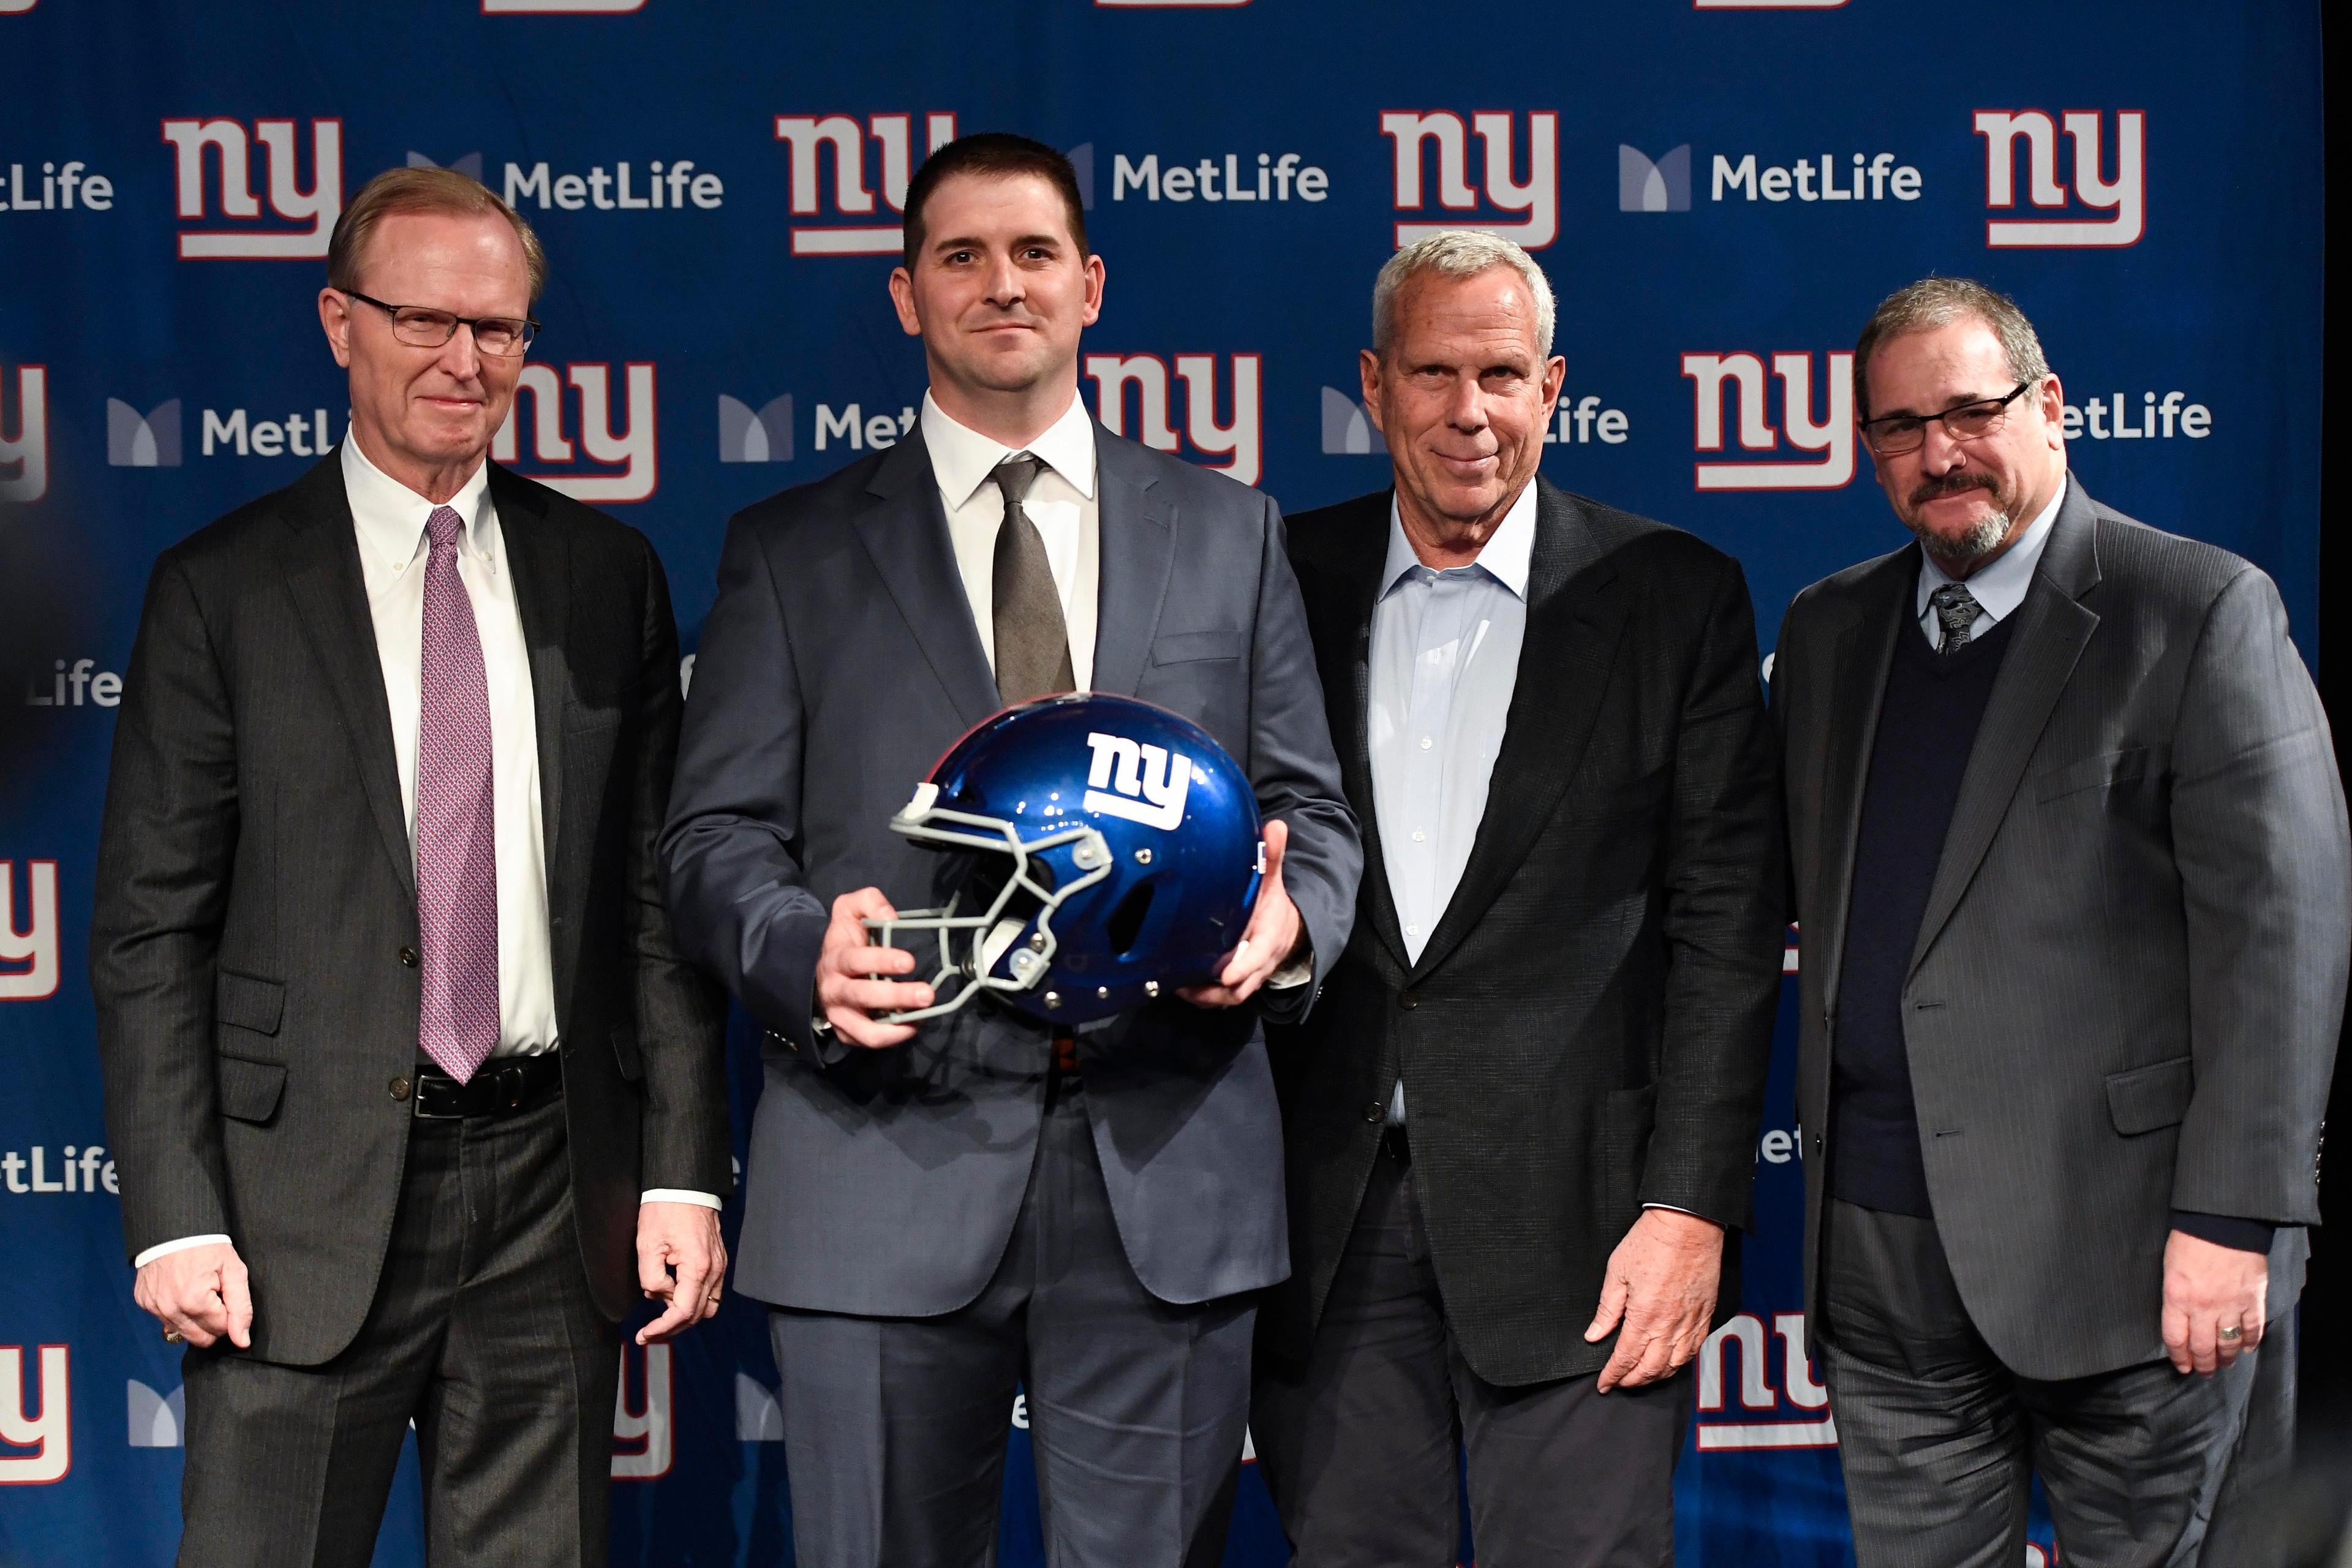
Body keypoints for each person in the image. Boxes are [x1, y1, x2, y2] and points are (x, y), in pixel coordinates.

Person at [658, 134, 1360, 1567]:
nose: (1002, 285)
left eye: (1034, 253)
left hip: (1168, 1172)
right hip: (879, 1159)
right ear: (906, 296)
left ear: (1091, 285)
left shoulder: (1231, 531)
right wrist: (801, 949)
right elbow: (711, 834)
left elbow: (1316, 818)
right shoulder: (788, 550)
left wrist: (1288, 929)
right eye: (960, 256)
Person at [89, 167, 731, 1567]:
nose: (465, 361)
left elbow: (649, 902)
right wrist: (177, 1212)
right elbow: (149, 929)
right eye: (425, 320)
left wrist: (683, 1168)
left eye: (498, 330)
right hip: (289, 1210)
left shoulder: (605, 573)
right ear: (338, 322)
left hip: (552, 1193)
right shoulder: (223, 587)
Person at [1773, 276, 2347, 1566]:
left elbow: (2284, 937)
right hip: (1883, 1255)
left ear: (2051, 406)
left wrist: (2237, 1218)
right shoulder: (1827, 630)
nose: (1940, 454)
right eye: (1901, 428)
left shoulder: (2193, 609)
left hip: (2134, 1256)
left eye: (1972, 412)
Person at [1252, 230, 1785, 1566]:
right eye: (1432, 372)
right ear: (1373, 385)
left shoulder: (1674, 594)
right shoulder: (1271, 576)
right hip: (1323, 1222)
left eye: (1500, 374)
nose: (1467, 413)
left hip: (1592, 1230)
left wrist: (1689, 1207)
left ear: (1554, 387)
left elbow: (1723, 932)